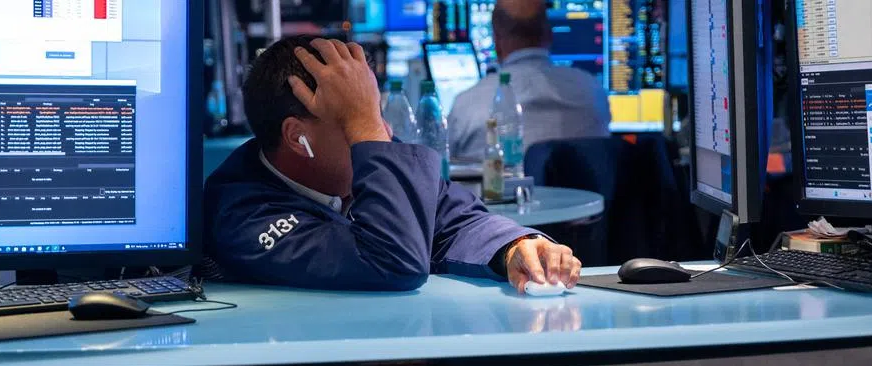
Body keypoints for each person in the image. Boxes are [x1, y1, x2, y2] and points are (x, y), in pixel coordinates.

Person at [202, 35, 581, 293]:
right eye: (357, 117)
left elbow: (455, 216)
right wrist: (364, 126)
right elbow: (392, 260)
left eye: (375, 112)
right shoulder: (241, 213)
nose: (382, 132)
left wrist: (514, 246)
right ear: (296, 137)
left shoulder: (356, 160)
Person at [448, 0, 611, 162]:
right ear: (549, 35)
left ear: (496, 41)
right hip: (580, 189)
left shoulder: (466, 106)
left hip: (498, 188)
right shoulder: (594, 93)